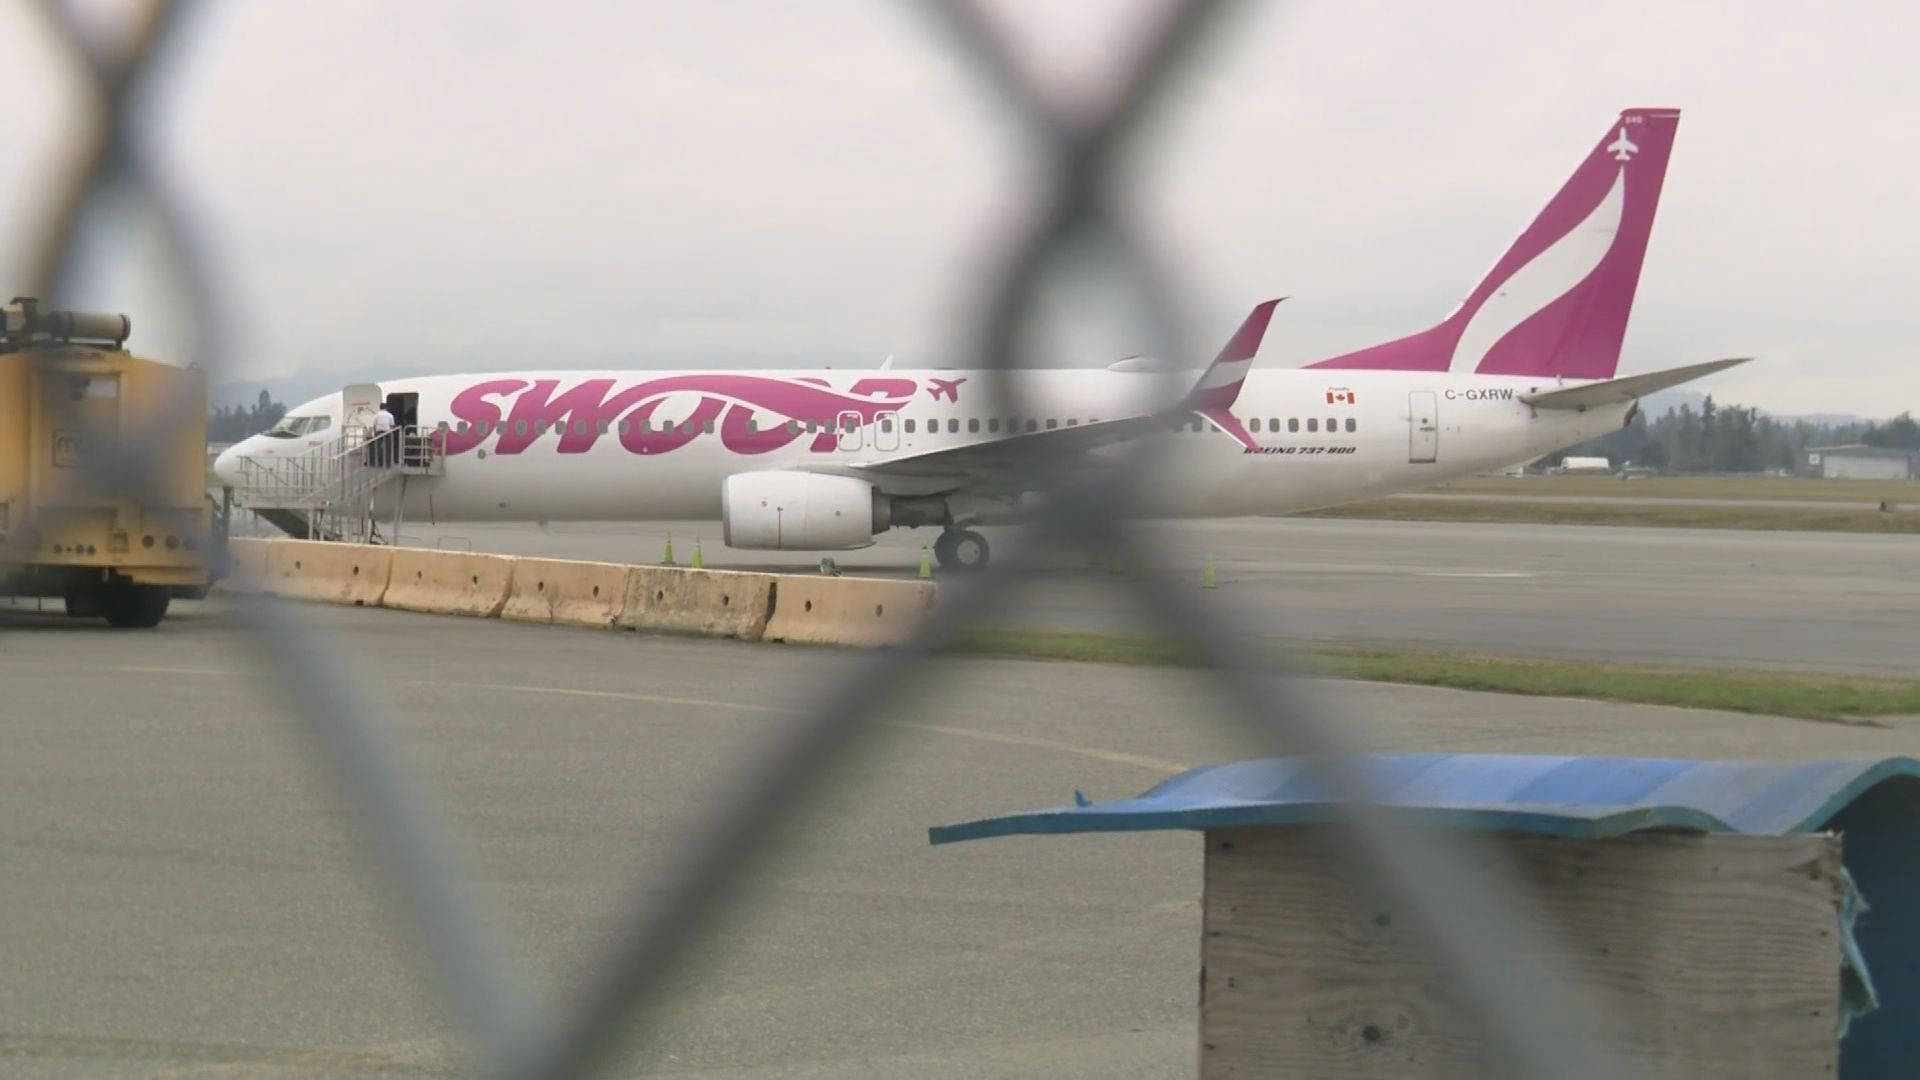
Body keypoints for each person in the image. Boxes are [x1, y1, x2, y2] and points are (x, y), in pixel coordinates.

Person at [371, 401, 397, 466]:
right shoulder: (390, 415)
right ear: (386, 408)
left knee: (378, 448)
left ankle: (380, 463)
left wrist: (375, 433)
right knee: (388, 448)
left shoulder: (376, 415)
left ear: (380, 408)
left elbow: (374, 425)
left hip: (378, 432)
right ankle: (388, 463)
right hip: (387, 432)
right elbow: (392, 425)